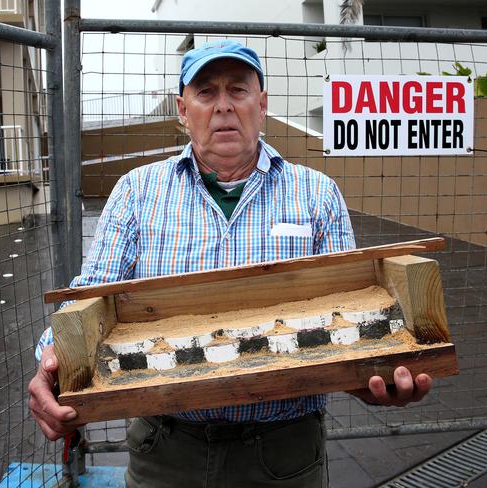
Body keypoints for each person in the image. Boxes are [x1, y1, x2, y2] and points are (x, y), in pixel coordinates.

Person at [29, 40, 432, 487]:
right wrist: (52, 357)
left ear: (262, 104)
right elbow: (91, 293)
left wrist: (378, 373)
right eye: (206, 92)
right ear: (183, 110)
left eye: (238, 90)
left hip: (283, 452)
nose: (223, 106)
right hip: (164, 448)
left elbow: (353, 310)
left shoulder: (317, 194)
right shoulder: (136, 193)